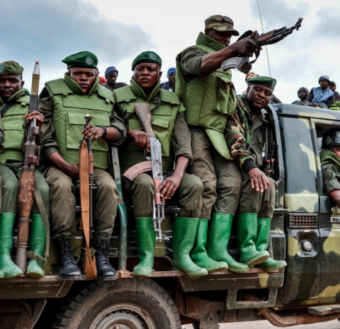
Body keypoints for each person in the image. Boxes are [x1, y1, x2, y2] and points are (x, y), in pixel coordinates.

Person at [176, 15, 259, 273]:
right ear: (208, 31)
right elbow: (201, 66)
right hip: (194, 130)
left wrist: (249, 49)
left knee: (233, 183)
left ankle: (217, 249)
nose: (226, 38)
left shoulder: (225, 61)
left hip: (219, 134)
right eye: (222, 33)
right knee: (207, 185)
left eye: (230, 35)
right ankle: (196, 252)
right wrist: (234, 49)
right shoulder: (192, 52)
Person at [114, 51, 207, 278]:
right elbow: (110, 129)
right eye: (140, 69)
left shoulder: (174, 102)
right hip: (132, 172)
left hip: (164, 169)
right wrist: (130, 133)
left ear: (160, 73)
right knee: (145, 184)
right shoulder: (118, 97)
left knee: (194, 184)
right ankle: (147, 256)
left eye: (151, 69)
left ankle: (182, 255)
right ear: (133, 72)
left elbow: (184, 144)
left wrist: (176, 176)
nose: (145, 73)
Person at [39, 51, 126, 280]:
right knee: (60, 187)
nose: (83, 78)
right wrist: (65, 165)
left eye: (89, 74)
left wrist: (103, 131)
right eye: (77, 73)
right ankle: (65, 254)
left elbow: (121, 130)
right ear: (68, 74)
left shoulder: (108, 97)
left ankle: (101, 253)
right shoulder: (53, 92)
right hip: (60, 165)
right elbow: (44, 138)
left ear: (97, 75)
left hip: (96, 167)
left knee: (108, 188)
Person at [226, 76, 286, 270]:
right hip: (232, 163)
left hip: (251, 166)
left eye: (267, 93)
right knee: (257, 184)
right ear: (248, 88)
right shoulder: (236, 106)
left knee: (269, 186)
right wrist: (252, 168)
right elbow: (234, 140)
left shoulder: (264, 117)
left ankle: (261, 251)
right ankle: (247, 248)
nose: (262, 95)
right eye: (258, 90)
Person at [0, 61, 50, 279]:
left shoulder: (31, 105)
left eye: (12, 81)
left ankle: (35, 259)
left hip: (25, 162)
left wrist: (38, 126)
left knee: (43, 189)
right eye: (2, 81)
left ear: (21, 82)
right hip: (2, 162)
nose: (7, 85)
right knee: (9, 186)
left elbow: (42, 141)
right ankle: (3, 257)